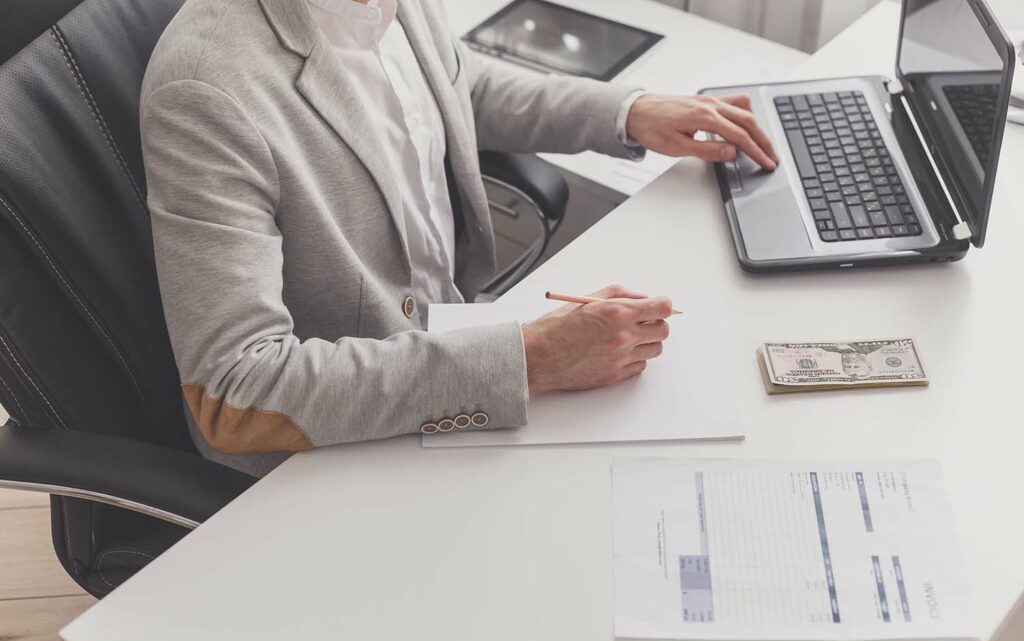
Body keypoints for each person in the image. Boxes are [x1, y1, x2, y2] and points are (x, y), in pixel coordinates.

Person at [140, 0, 778, 475]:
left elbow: (457, 83)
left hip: (445, 348)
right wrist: (531, 358)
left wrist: (625, 113)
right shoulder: (205, 86)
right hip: (334, 444)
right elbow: (234, 394)